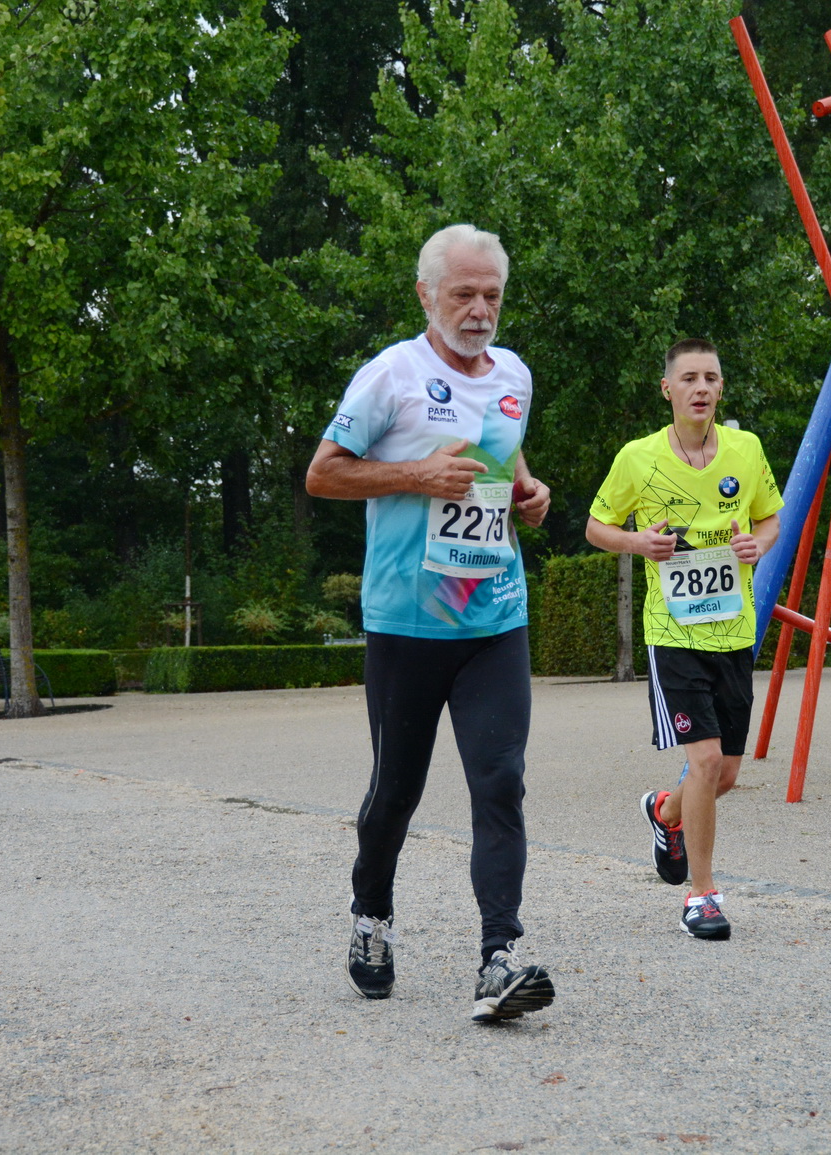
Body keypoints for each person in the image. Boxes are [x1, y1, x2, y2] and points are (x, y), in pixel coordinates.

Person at [305, 224, 556, 1023]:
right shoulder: (391, 376)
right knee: (396, 791)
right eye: (464, 294)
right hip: (408, 623)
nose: (480, 310)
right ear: (426, 295)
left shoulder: (514, 373)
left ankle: (499, 955)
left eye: (492, 295)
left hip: (494, 617)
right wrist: (416, 475)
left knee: (501, 779)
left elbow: (504, 459)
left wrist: (528, 490)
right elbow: (322, 474)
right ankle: (371, 912)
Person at [585, 338, 783, 940]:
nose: (701, 388)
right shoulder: (637, 458)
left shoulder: (746, 451)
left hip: (734, 632)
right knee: (701, 763)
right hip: (671, 633)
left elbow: (770, 517)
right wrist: (639, 543)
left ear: (721, 388)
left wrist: (759, 543)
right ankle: (703, 896)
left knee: (723, 776)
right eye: (689, 378)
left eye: (711, 378)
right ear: (667, 389)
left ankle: (664, 813)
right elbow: (597, 527)